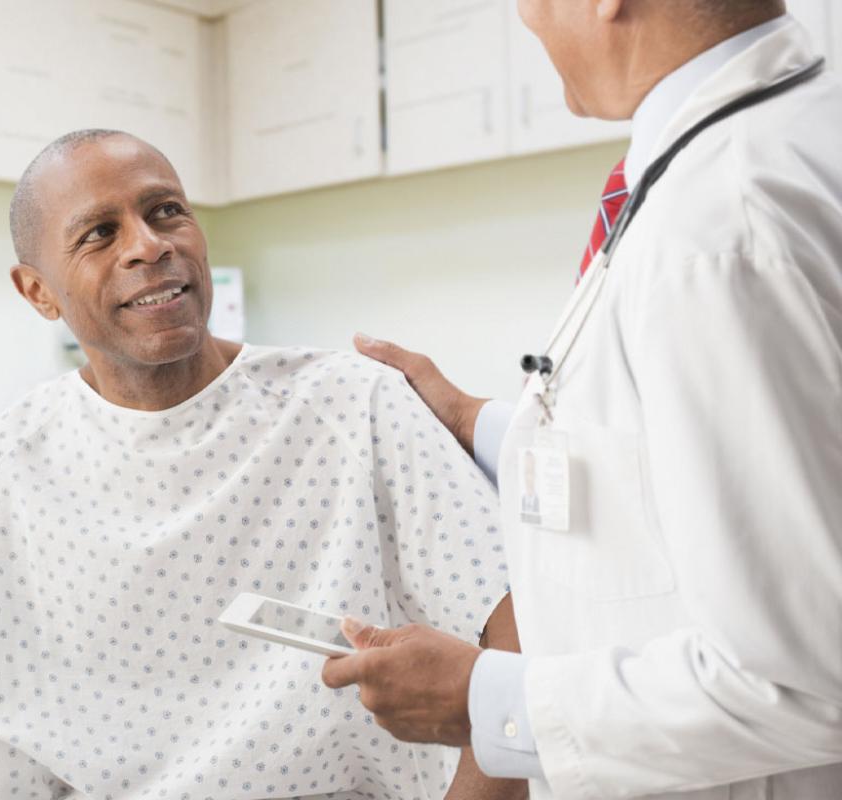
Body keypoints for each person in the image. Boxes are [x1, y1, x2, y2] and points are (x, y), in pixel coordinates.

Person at [0, 129, 527, 800]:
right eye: (98, 233)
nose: (149, 245)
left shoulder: (354, 405)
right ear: (38, 292)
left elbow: (517, 625)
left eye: (165, 210)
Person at [321, 1, 842, 798]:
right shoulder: (761, 144)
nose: (525, 18)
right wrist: (477, 423)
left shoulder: (718, 228)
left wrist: (485, 699)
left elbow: (803, 680)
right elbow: (670, 456)